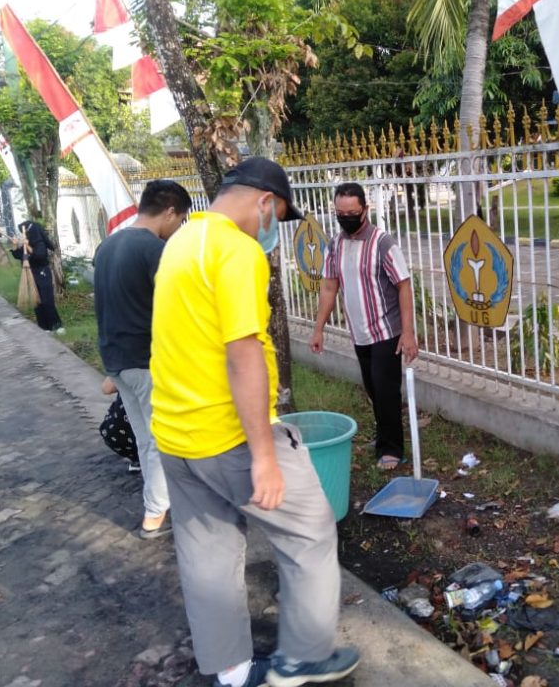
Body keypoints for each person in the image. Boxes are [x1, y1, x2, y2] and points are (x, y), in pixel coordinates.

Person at [150, 158, 359, 687]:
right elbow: (243, 353)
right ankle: (303, 658)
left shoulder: (182, 241)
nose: (273, 232)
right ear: (265, 202)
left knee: (208, 554)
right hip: (229, 436)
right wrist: (265, 456)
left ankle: (233, 671)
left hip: (174, 434)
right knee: (310, 530)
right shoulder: (236, 250)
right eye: (279, 217)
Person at [94, 179, 191, 538]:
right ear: (169, 212)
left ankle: (158, 504)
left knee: (145, 438)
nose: (178, 227)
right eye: (180, 219)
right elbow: (175, 309)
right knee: (160, 441)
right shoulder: (155, 250)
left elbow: (107, 305)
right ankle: (155, 514)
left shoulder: (108, 245)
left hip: (117, 360)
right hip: (147, 361)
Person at [309, 181, 418, 471]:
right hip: (359, 333)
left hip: (386, 331)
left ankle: (392, 449)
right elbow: (329, 287)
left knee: (385, 391)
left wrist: (408, 332)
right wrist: (318, 329)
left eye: (352, 213)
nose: (346, 218)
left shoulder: (382, 243)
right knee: (372, 389)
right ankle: (383, 437)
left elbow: (404, 286)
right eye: (340, 213)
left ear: (365, 210)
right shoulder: (335, 245)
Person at [10, 219, 63, 333]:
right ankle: (44, 327)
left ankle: (56, 325)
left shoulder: (39, 243)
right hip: (31, 273)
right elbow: (18, 255)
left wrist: (27, 246)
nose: (23, 234)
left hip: (42, 273)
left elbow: (39, 256)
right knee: (37, 301)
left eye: (24, 232)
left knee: (47, 300)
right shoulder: (26, 242)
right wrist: (15, 245)